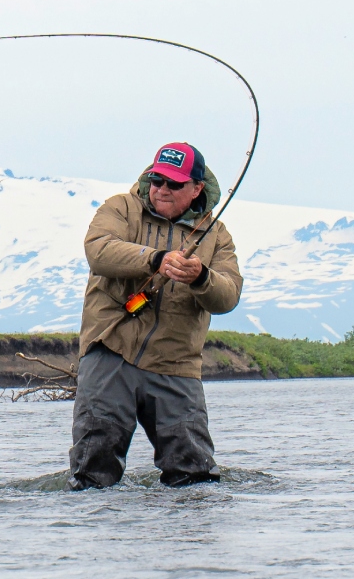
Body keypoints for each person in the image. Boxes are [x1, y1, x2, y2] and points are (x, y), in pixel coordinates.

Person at [68, 141, 243, 489]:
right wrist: (155, 258)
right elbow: (98, 251)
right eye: (157, 180)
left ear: (196, 189)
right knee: (93, 472)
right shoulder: (121, 208)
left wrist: (201, 277)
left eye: (173, 184)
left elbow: (228, 296)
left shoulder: (217, 236)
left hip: (176, 365)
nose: (161, 189)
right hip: (110, 352)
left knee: (195, 476)